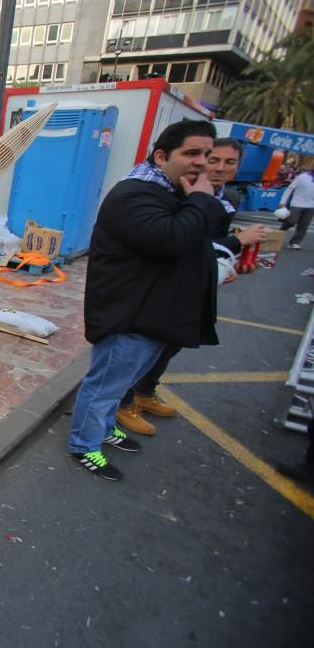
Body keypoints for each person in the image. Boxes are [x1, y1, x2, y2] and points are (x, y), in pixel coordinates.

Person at [67, 120, 227, 481]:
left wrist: (202, 203)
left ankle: (103, 428)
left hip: (156, 313)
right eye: (191, 153)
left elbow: (198, 236)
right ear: (161, 156)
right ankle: (83, 443)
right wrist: (202, 200)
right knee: (107, 383)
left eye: (207, 154)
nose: (202, 162)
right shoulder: (135, 194)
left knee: (121, 383)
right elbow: (169, 239)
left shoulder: (173, 193)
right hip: (131, 313)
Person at [115, 138, 267, 435]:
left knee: (171, 344)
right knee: (147, 346)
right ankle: (124, 402)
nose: (218, 168)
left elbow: (203, 246)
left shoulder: (224, 197)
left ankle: (145, 393)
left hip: (194, 281)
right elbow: (180, 241)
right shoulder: (182, 195)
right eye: (212, 160)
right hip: (163, 288)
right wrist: (236, 242)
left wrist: (225, 262)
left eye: (229, 162)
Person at [277, 167, 314, 250]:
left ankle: (294, 242)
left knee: (303, 225)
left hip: (311, 206)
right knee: (291, 221)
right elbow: (290, 189)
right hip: (297, 203)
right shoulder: (303, 176)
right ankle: (282, 229)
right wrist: (282, 202)